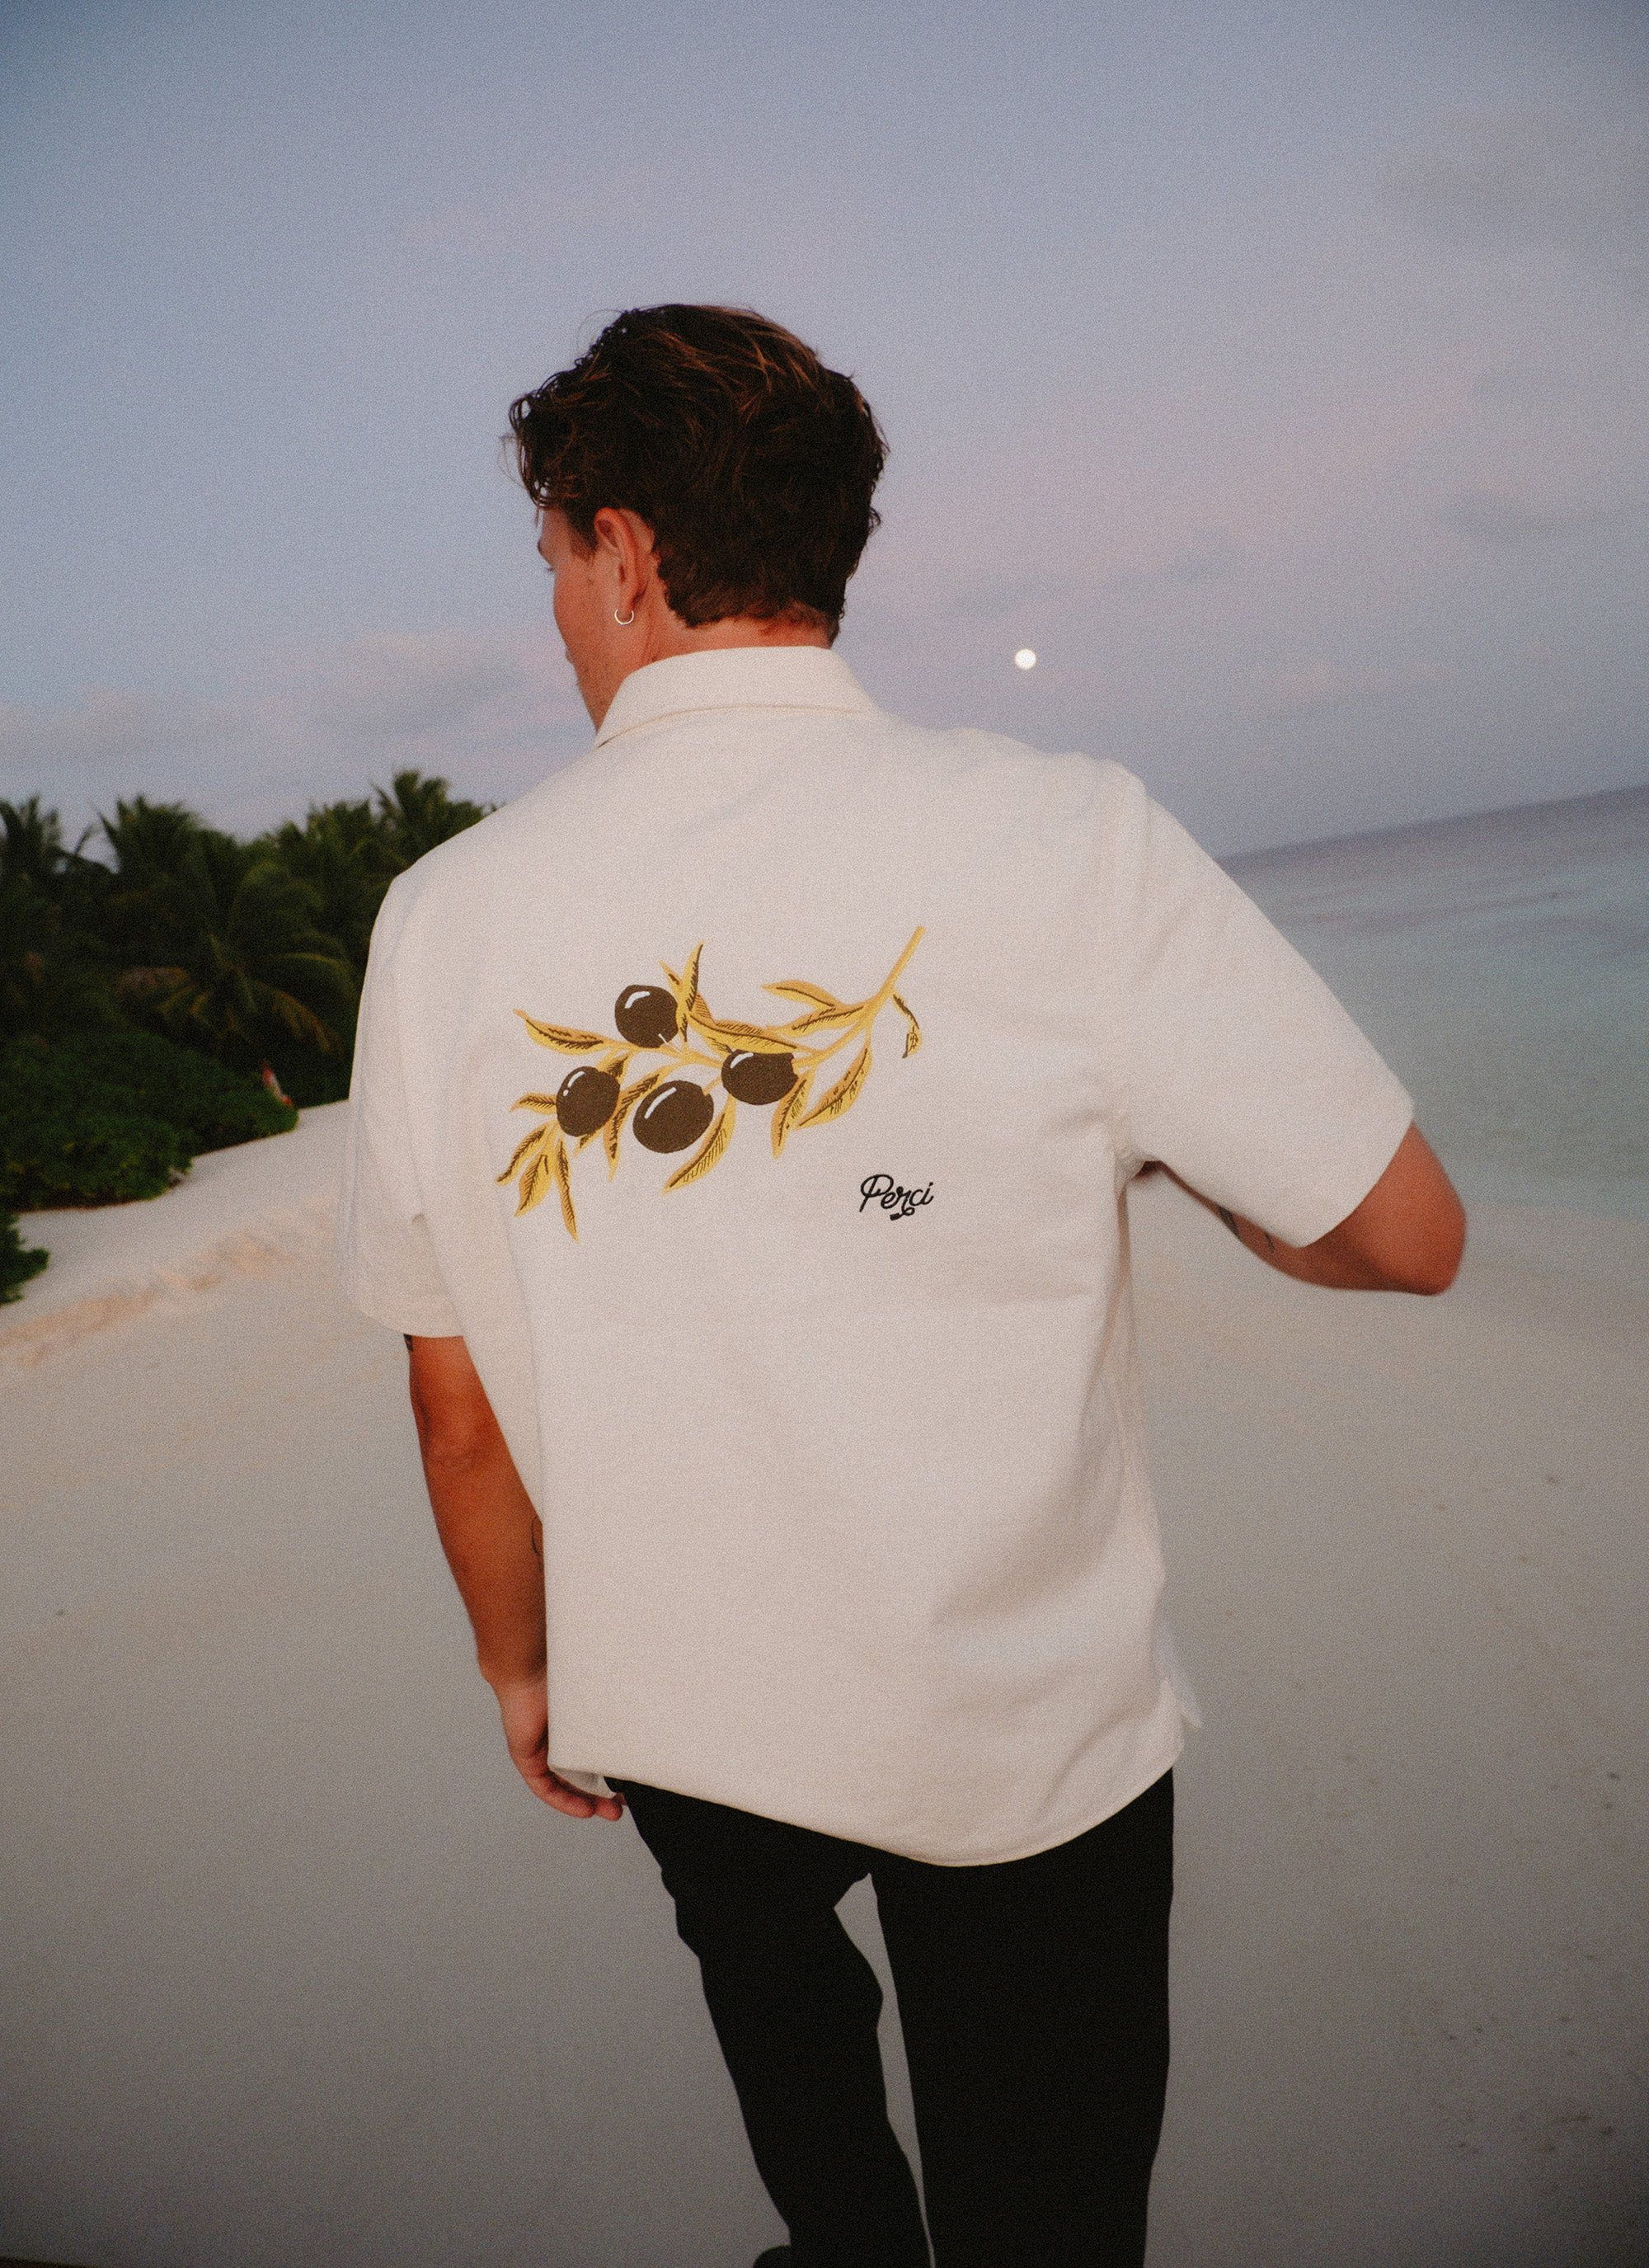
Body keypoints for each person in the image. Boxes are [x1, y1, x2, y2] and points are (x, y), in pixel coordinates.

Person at [336, 303, 1466, 2268]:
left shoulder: (440, 924)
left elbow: (454, 1396)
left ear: (619, 546)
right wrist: (1181, 1169)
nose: (556, 610)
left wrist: (525, 1664)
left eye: (549, 563)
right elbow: (1403, 1234)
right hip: (1017, 1715)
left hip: (679, 1700)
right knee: (1048, 2206)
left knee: (797, 2070)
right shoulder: (1064, 835)